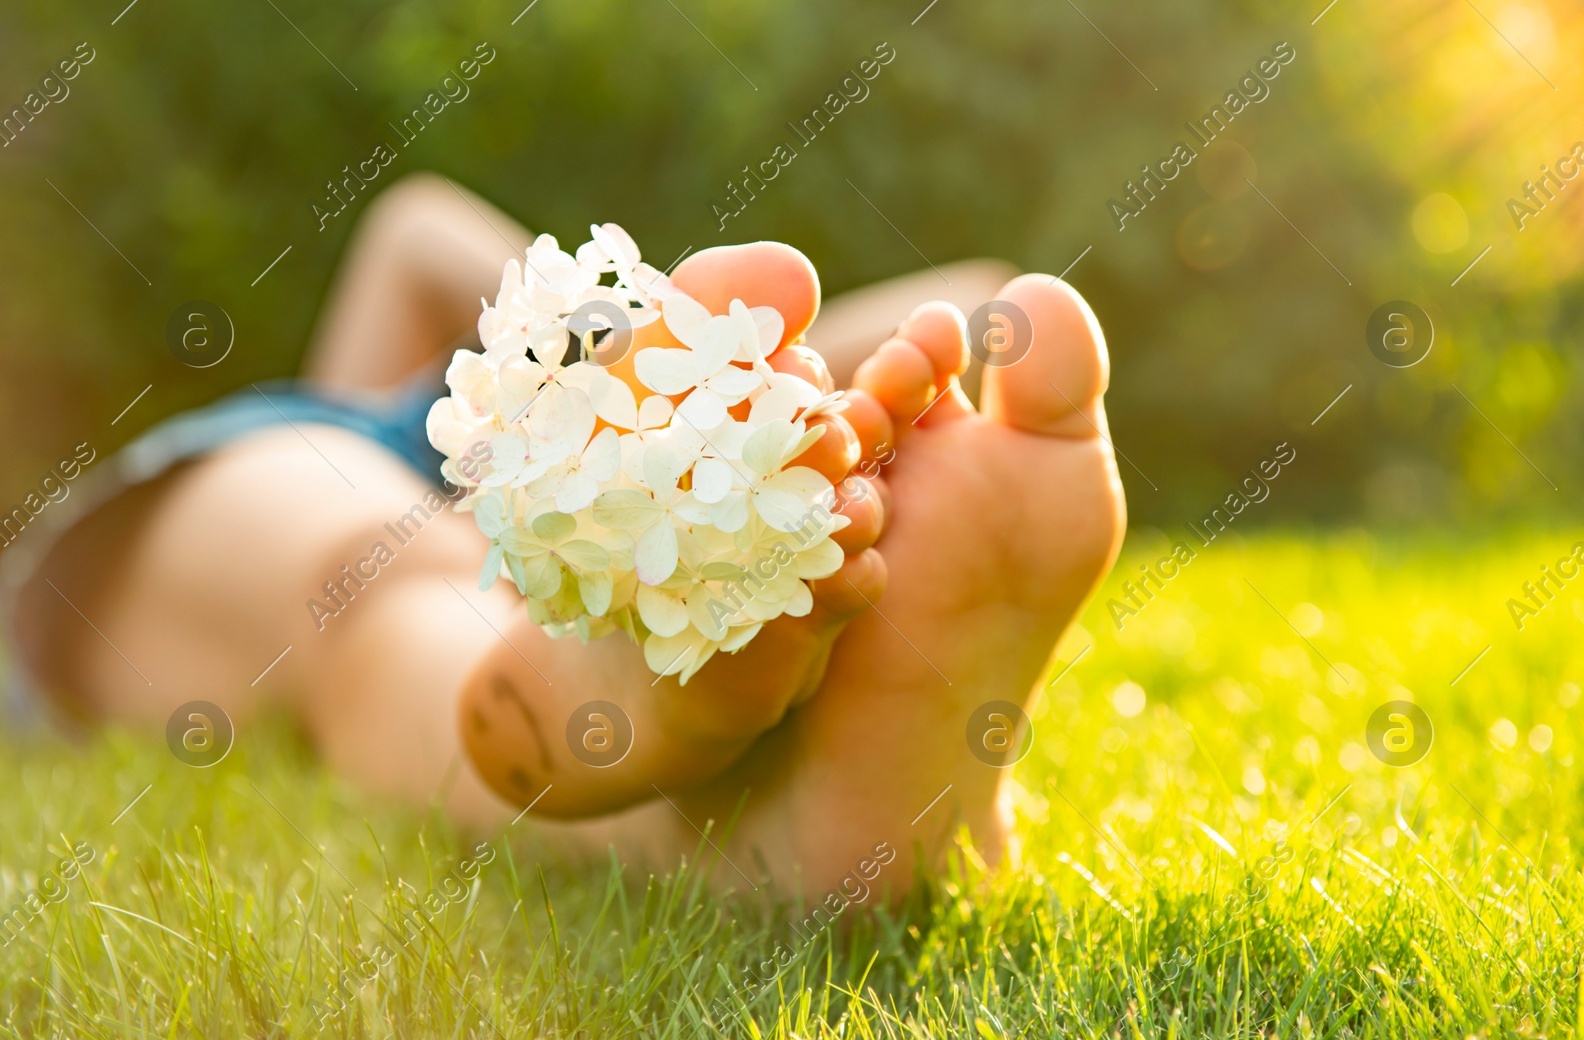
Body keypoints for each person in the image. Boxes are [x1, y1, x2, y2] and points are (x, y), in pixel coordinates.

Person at [1, 174, 1124, 898]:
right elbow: (414, 228)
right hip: (364, 512)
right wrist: (605, 350)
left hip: (478, 515)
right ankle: (624, 684)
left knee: (391, 584)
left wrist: (637, 373)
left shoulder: (430, 447)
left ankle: (766, 833)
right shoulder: (392, 431)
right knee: (378, 577)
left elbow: (412, 226)